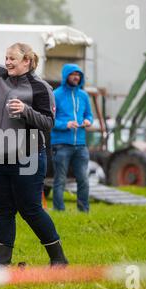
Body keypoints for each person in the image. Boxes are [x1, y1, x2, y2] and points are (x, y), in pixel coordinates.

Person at [0, 43, 68, 266]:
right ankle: (1, 264)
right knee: (3, 210)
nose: (7, 62)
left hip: (29, 156)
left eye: (12, 59)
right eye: (6, 58)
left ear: (27, 61)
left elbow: (48, 123)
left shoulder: (41, 88)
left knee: (31, 209)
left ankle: (59, 259)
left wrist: (26, 112)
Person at [51, 64, 93, 212]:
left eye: (78, 74)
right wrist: (65, 124)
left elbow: (89, 115)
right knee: (60, 180)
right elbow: (50, 120)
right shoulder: (56, 95)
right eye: (73, 74)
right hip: (61, 145)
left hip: (81, 145)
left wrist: (88, 121)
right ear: (65, 76)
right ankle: (59, 210)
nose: (76, 77)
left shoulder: (84, 95)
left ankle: (84, 210)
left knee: (83, 180)